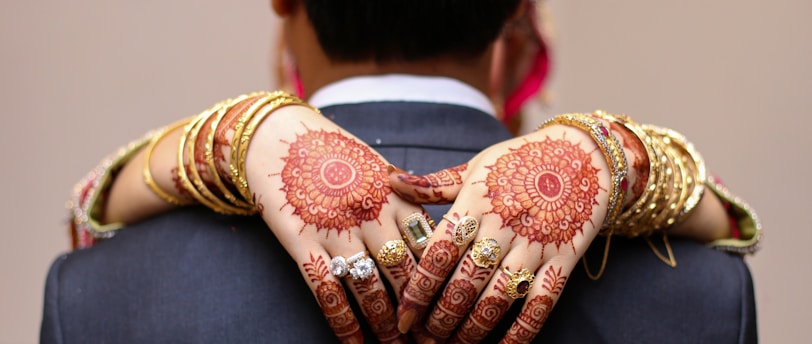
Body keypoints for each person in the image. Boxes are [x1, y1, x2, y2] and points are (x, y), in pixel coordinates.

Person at [41, 0, 761, 343]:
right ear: (516, 14)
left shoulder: (104, 295)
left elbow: (87, 216)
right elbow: (735, 226)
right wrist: (621, 154)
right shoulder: (703, 296)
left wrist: (234, 128)